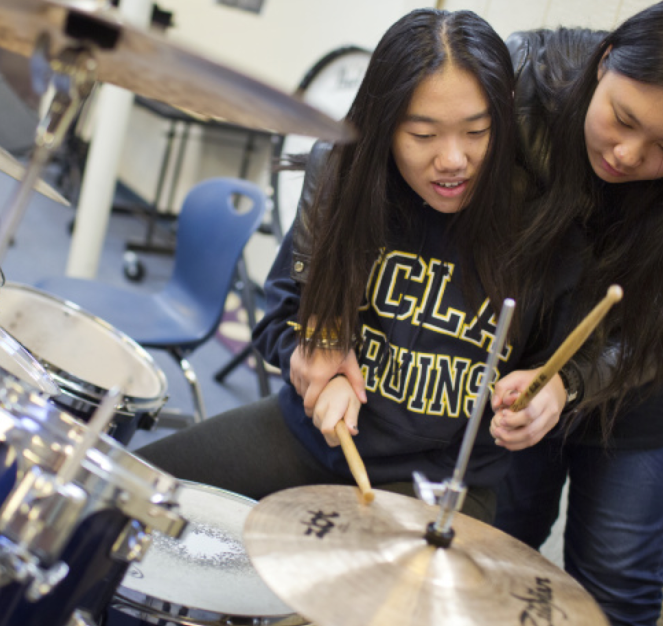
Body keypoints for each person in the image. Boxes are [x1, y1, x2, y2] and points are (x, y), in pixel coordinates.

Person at [138, 7, 578, 527]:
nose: (453, 159)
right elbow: (280, 316)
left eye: (477, 132)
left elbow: (572, 359)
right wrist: (317, 355)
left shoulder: (540, 221)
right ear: (384, 125)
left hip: (430, 482)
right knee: (129, 492)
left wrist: (555, 389)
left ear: (502, 117)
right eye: (423, 135)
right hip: (307, 438)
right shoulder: (342, 179)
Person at [487, 3, 663, 626]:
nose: (627, 153)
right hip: (530, 350)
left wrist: (571, 384)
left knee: (615, 586)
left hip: (656, 375)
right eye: (622, 118)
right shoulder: (528, 72)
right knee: (498, 542)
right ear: (605, 59)